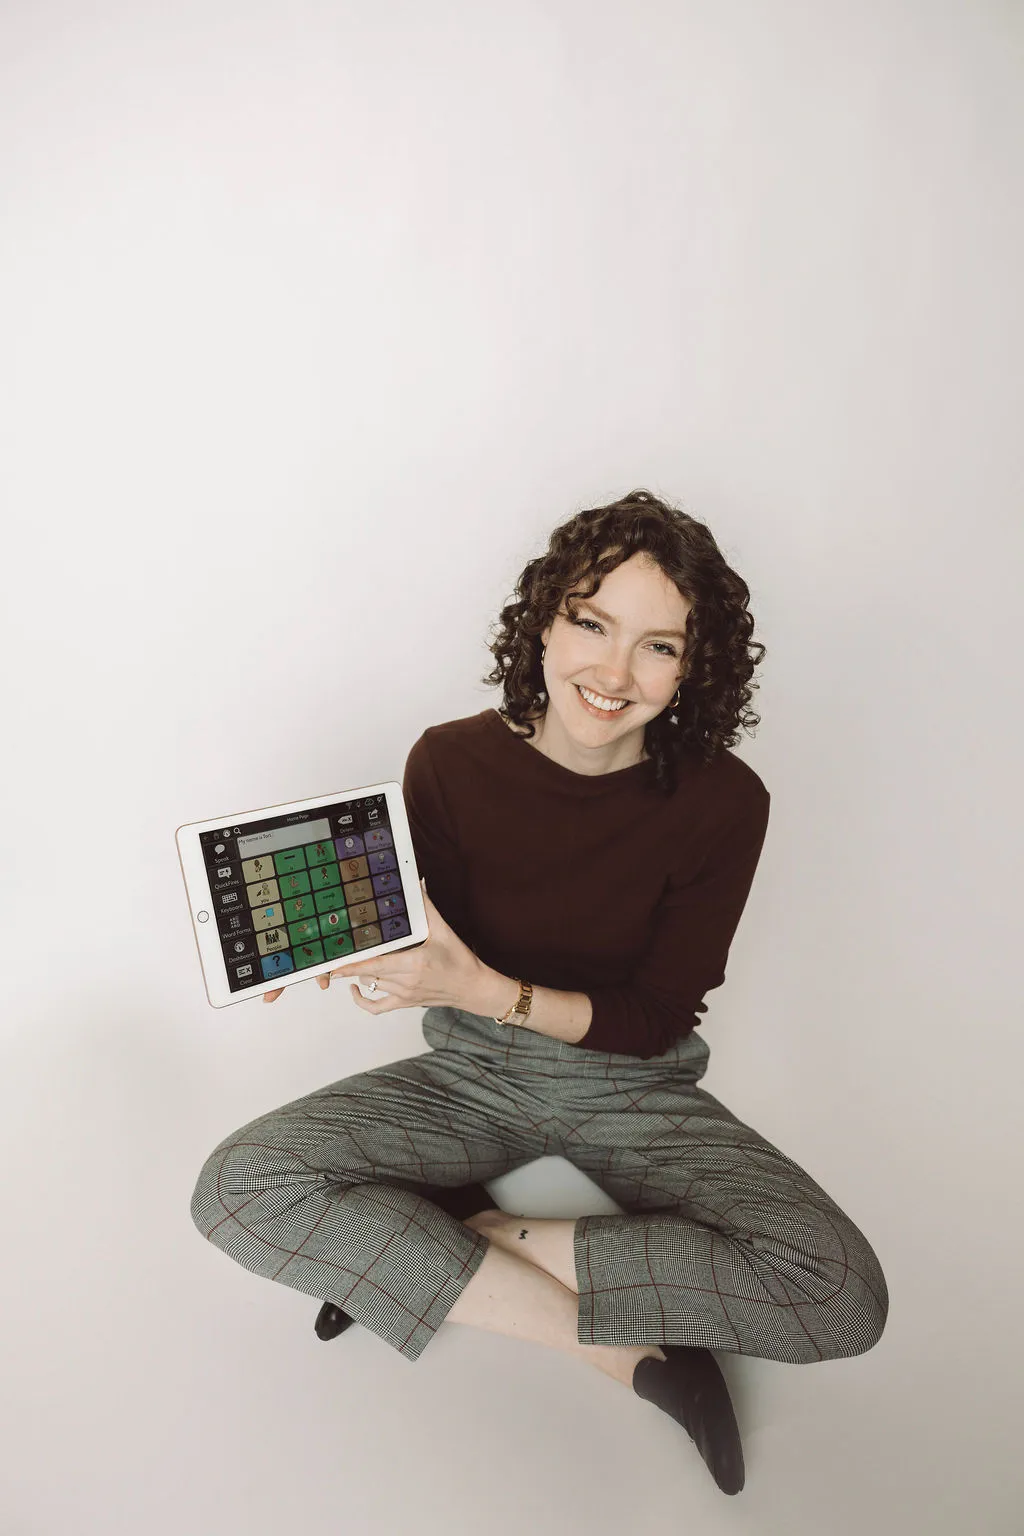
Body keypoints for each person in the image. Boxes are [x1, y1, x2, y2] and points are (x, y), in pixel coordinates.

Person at [190, 488, 889, 1497]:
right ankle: (624, 1356)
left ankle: (473, 1239)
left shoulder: (724, 803)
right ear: (545, 620)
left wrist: (483, 987)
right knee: (237, 1187)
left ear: (695, 668)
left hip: (633, 1082)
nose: (611, 673)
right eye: (590, 622)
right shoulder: (448, 761)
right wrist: (342, 954)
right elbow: (413, 928)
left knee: (837, 1298)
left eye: (658, 646)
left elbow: (656, 1012)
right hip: (474, 1075)